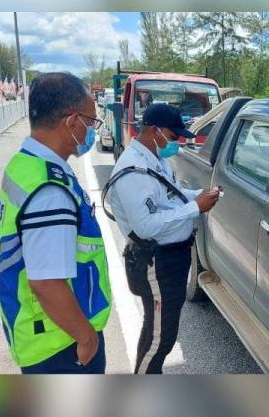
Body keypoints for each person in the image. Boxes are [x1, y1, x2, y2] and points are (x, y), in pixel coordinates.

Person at [0, 72, 111, 374]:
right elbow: (46, 282)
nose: (92, 131)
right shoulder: (50, 190)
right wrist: (86, 339)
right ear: (71, 122)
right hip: (60, 342)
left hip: (44, 334)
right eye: (91, 121)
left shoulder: (25, 165)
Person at [106, 103, 220, 374]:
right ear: (153, 131)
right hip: (156, 261)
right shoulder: (133, 171)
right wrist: (196, 207)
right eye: (172, 136)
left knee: (159, 331)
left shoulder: (154, 160)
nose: (176, 142)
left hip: (172, 258)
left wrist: (199, 195)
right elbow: (145, 226)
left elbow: (169, 197)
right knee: (160, 339)